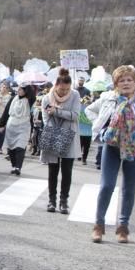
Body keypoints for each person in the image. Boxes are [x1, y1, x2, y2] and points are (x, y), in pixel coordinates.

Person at [85, 65, 135, 244]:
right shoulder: (107, 98)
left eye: (129, 80)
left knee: (129, 188)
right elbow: (89, 110)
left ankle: (123, 228)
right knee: (107, 185)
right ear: (116, 84)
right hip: (112, 144)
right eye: (122, 80)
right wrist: (100, 126)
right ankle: (98, 225)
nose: (126, 83)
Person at [40, 68, 81, 214]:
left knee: (67, 171)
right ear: (56, 86)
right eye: (62, 89)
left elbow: (75, 115)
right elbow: (45, 117)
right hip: (52, 134)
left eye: (67, 89)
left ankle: (64, 201)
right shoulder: (47, 98)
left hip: (69, 135)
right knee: (52, 170)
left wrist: (57, 112)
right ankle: (52, 201)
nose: (64, 92)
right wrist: (51, 128)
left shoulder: (75, 95)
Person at [0, 84, 36, 176]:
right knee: (11, 148)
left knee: (20, 146)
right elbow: (6, 111)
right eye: (18, 89)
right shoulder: (13, 99)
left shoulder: (29, 100)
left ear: (25, 91)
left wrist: (27, 85)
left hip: (24, 125)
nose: (19, 91)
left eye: (21, 89)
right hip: (12, 125)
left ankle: (18, 167)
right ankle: (14, 165)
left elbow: (32, 96)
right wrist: (2, 124)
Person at [0, 82, 12, 151]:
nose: (4, 89)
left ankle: (0, 147)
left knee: (2, 133)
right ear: (0, 88)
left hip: (4, 117)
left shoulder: (9, 97)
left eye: (6, 88)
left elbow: (9, 107)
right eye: (3, 87)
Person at [78, 95, 94, 165]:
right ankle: (83, 158)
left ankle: (83, 158)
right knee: (84, 146)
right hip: (84, 132)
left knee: (83, 146)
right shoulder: (91, 111)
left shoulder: (80, 109)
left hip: (86, 132)